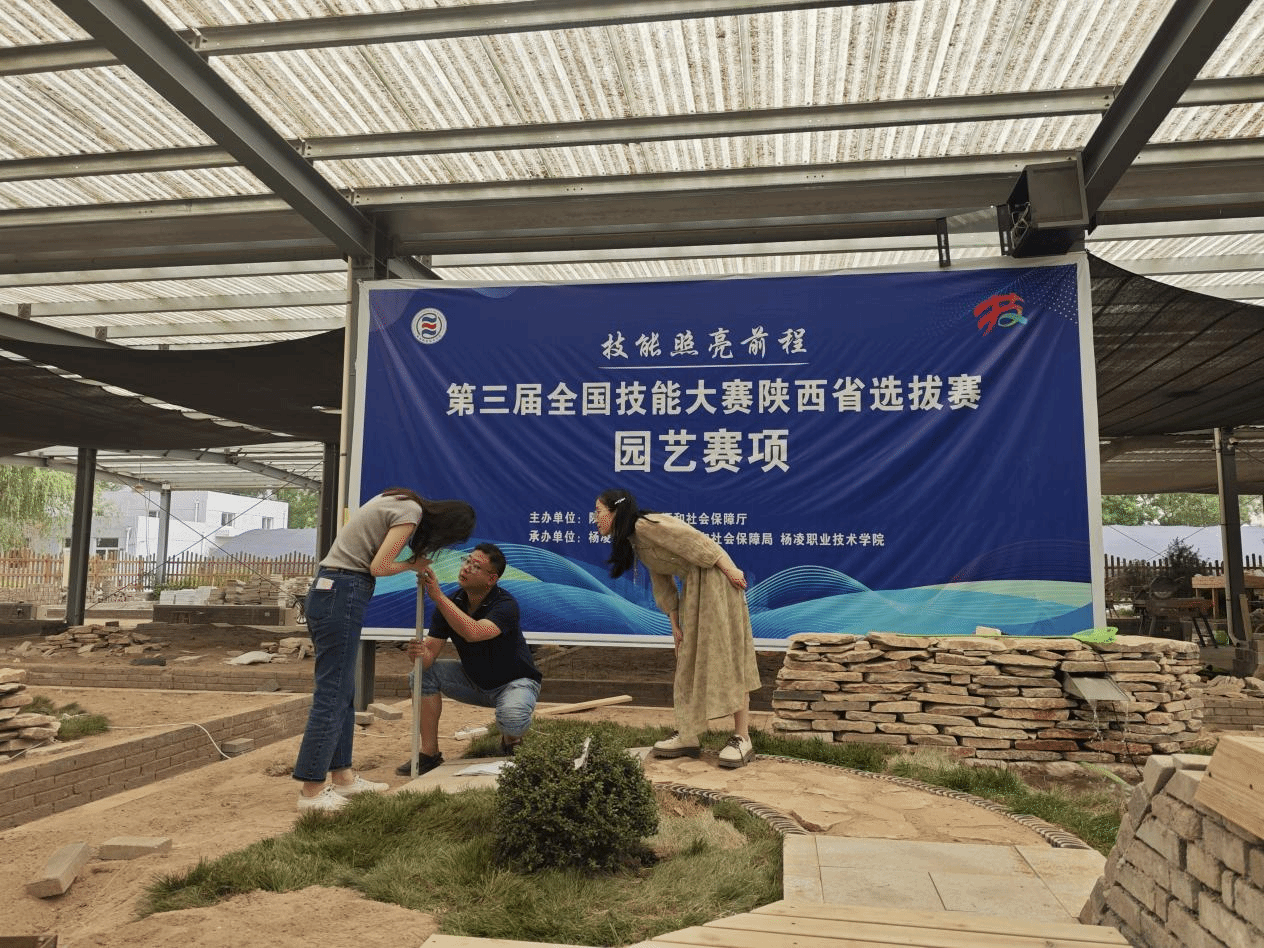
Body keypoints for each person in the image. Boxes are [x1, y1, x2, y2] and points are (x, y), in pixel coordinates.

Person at [293, 487, 475, 813]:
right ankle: (311, 791)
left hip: (334, 589)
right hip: (342, 590)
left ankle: (343, 777)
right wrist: (412, 565)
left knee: (342, 690)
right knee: (332, 693)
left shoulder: (400, 500)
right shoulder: (411, 512)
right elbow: (379, 566)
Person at [594, 488, 761, 768]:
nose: (595, 518)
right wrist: (675, 625)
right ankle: (688, 734)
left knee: (728, 657)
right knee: (686, 660)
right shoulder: (635, 539)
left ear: (615, 511)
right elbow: (662, 581)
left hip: (715, 583)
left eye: (598, 511)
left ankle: (742, 737)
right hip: (694, 590)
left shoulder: (647, 525)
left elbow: (699, 542)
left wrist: (730, 570)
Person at [396, 542, 542, 776]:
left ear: (491, 579)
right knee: (422, 675)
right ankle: (429, 754)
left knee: (512, 720)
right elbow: (429, 657)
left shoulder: (505, 604)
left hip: (515, 683)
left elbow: (475, 632)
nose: (466, 567)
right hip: (473, 681)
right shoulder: (451, 603)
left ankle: (511, 740)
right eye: (466, 561)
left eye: (476, 566)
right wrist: (419, 654)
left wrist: (438, 597)